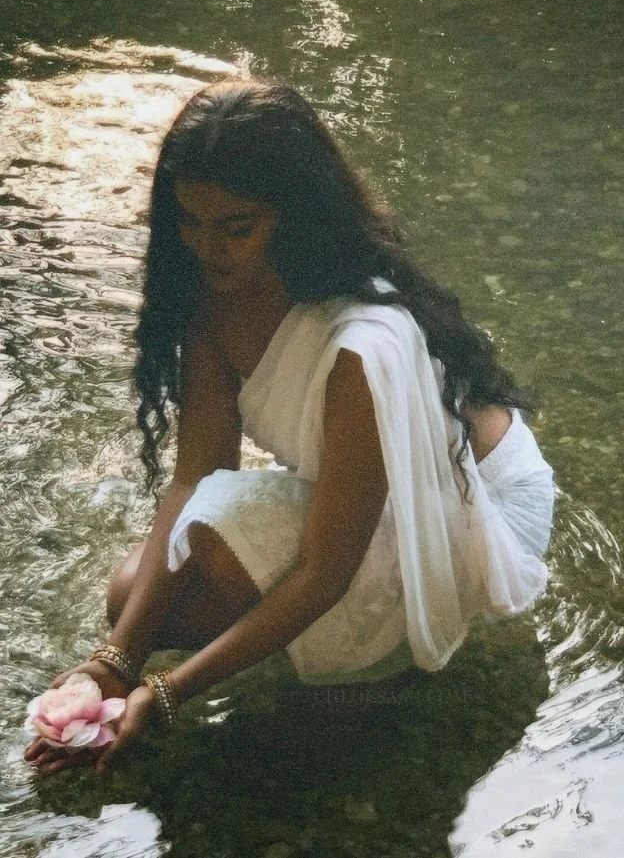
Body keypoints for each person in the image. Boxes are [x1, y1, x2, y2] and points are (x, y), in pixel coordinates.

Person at [25, 79, 554, 775]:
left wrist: (168, 690)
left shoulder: (361, 343)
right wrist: (114, 661)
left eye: (236, 227)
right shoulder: (214, 300)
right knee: (135, 596)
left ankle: (378, 666)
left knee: (293, 662)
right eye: (190, 221)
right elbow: (193, 478)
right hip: (381, 492)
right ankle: (327, 642)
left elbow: (325, 571)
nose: (208, 249)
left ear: (293, 215)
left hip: (473, 509)